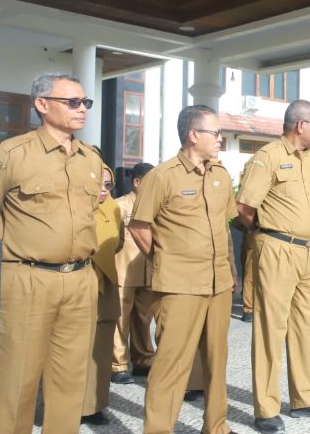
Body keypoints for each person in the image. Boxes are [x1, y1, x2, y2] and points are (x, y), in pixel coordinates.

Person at [0, 73, 102, 433]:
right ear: (42, 104)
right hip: (28, 279)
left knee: (70, 382)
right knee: (18, 381)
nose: (82, 109)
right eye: (73, 102)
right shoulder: (9, 155)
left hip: (81, 280)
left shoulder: (90, 159)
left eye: (86, 102)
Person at [128, 105, 237, 434]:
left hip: (218, 283)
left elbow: (224, 228)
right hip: (180, 285)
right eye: (215, 133)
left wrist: (231, 275)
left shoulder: (221, 175)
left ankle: (216, 427)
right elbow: (138, 227)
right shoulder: (162, 176)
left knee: (216, 361)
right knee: (171, 364)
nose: (220, 139)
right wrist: (165, 262)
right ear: (193, 135)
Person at [236, 100, 310, 434]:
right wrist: (265, 234)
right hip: (278, 248)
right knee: (270, 328)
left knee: (308, 327)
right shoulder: (267, 157)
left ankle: (306, 398)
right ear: (300, 125)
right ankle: (266, 408)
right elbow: (245, 208)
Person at [82, 164, 123, 425]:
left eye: (109, 185)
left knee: (101, 348)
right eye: (99, 185)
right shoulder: (74, 204)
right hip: (78, 279)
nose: (104, 191)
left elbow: (117, 243)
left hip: (105, 282)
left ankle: (95, 405)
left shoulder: (113, 209)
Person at [112, 162, 158, 384]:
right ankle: (118, 363)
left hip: (148, 272)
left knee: (144, 318)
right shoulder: (119, 206)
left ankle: (143, 360)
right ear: (137, 182)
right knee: (121, 318)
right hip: (123, 271)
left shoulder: (156, 207)